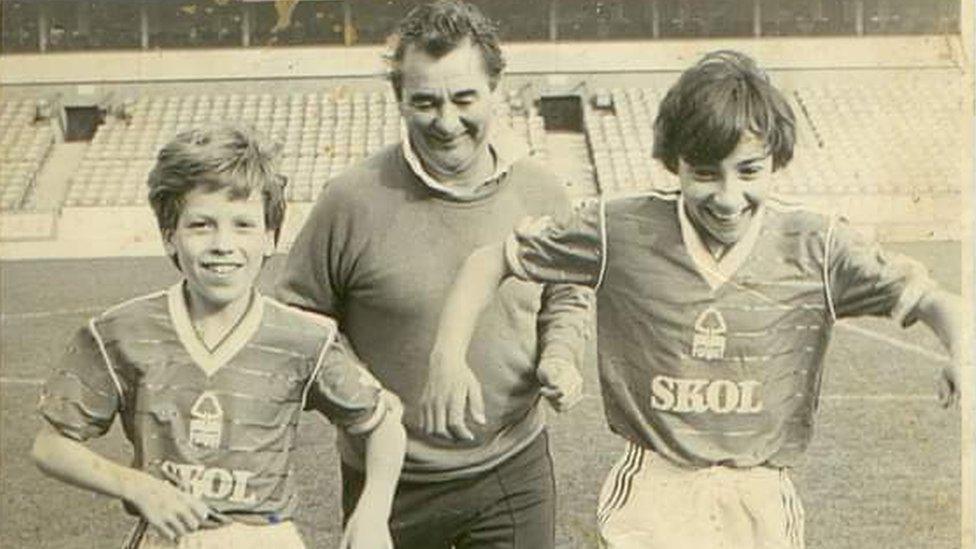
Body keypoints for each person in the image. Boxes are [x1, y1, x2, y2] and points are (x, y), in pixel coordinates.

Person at [426, 50, 962, 549]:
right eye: (705, 174)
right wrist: (447, 359)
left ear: (777, 159)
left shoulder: (818, 245)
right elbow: (488, 260)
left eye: (749, 171)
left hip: (759, 497)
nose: (728, 198)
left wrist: (962, 351)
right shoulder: (621, 230)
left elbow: (936, 301)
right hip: (655, 490)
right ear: (673, 163)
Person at [276, 2, 592, 547]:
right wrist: (363, 397)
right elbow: (298, 320)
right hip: (390, 479)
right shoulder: (350, 200)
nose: (446, 122)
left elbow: (566, 292)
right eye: (424, 102)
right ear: (398, 100)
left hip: (512, 470)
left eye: (464, 99)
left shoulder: (540, 190)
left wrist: (559, 354)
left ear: (497, 88)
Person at [31, 124, 406, 549]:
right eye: (201, 225)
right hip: (169, 538)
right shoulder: (121, 331)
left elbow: (383, 424)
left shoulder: (304, 338)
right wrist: (138, 487)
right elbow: (51, 445)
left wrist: (373, 512)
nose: (222, 244)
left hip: (264, 538)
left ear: (270, 238)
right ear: (170, 236)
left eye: (243, 225)